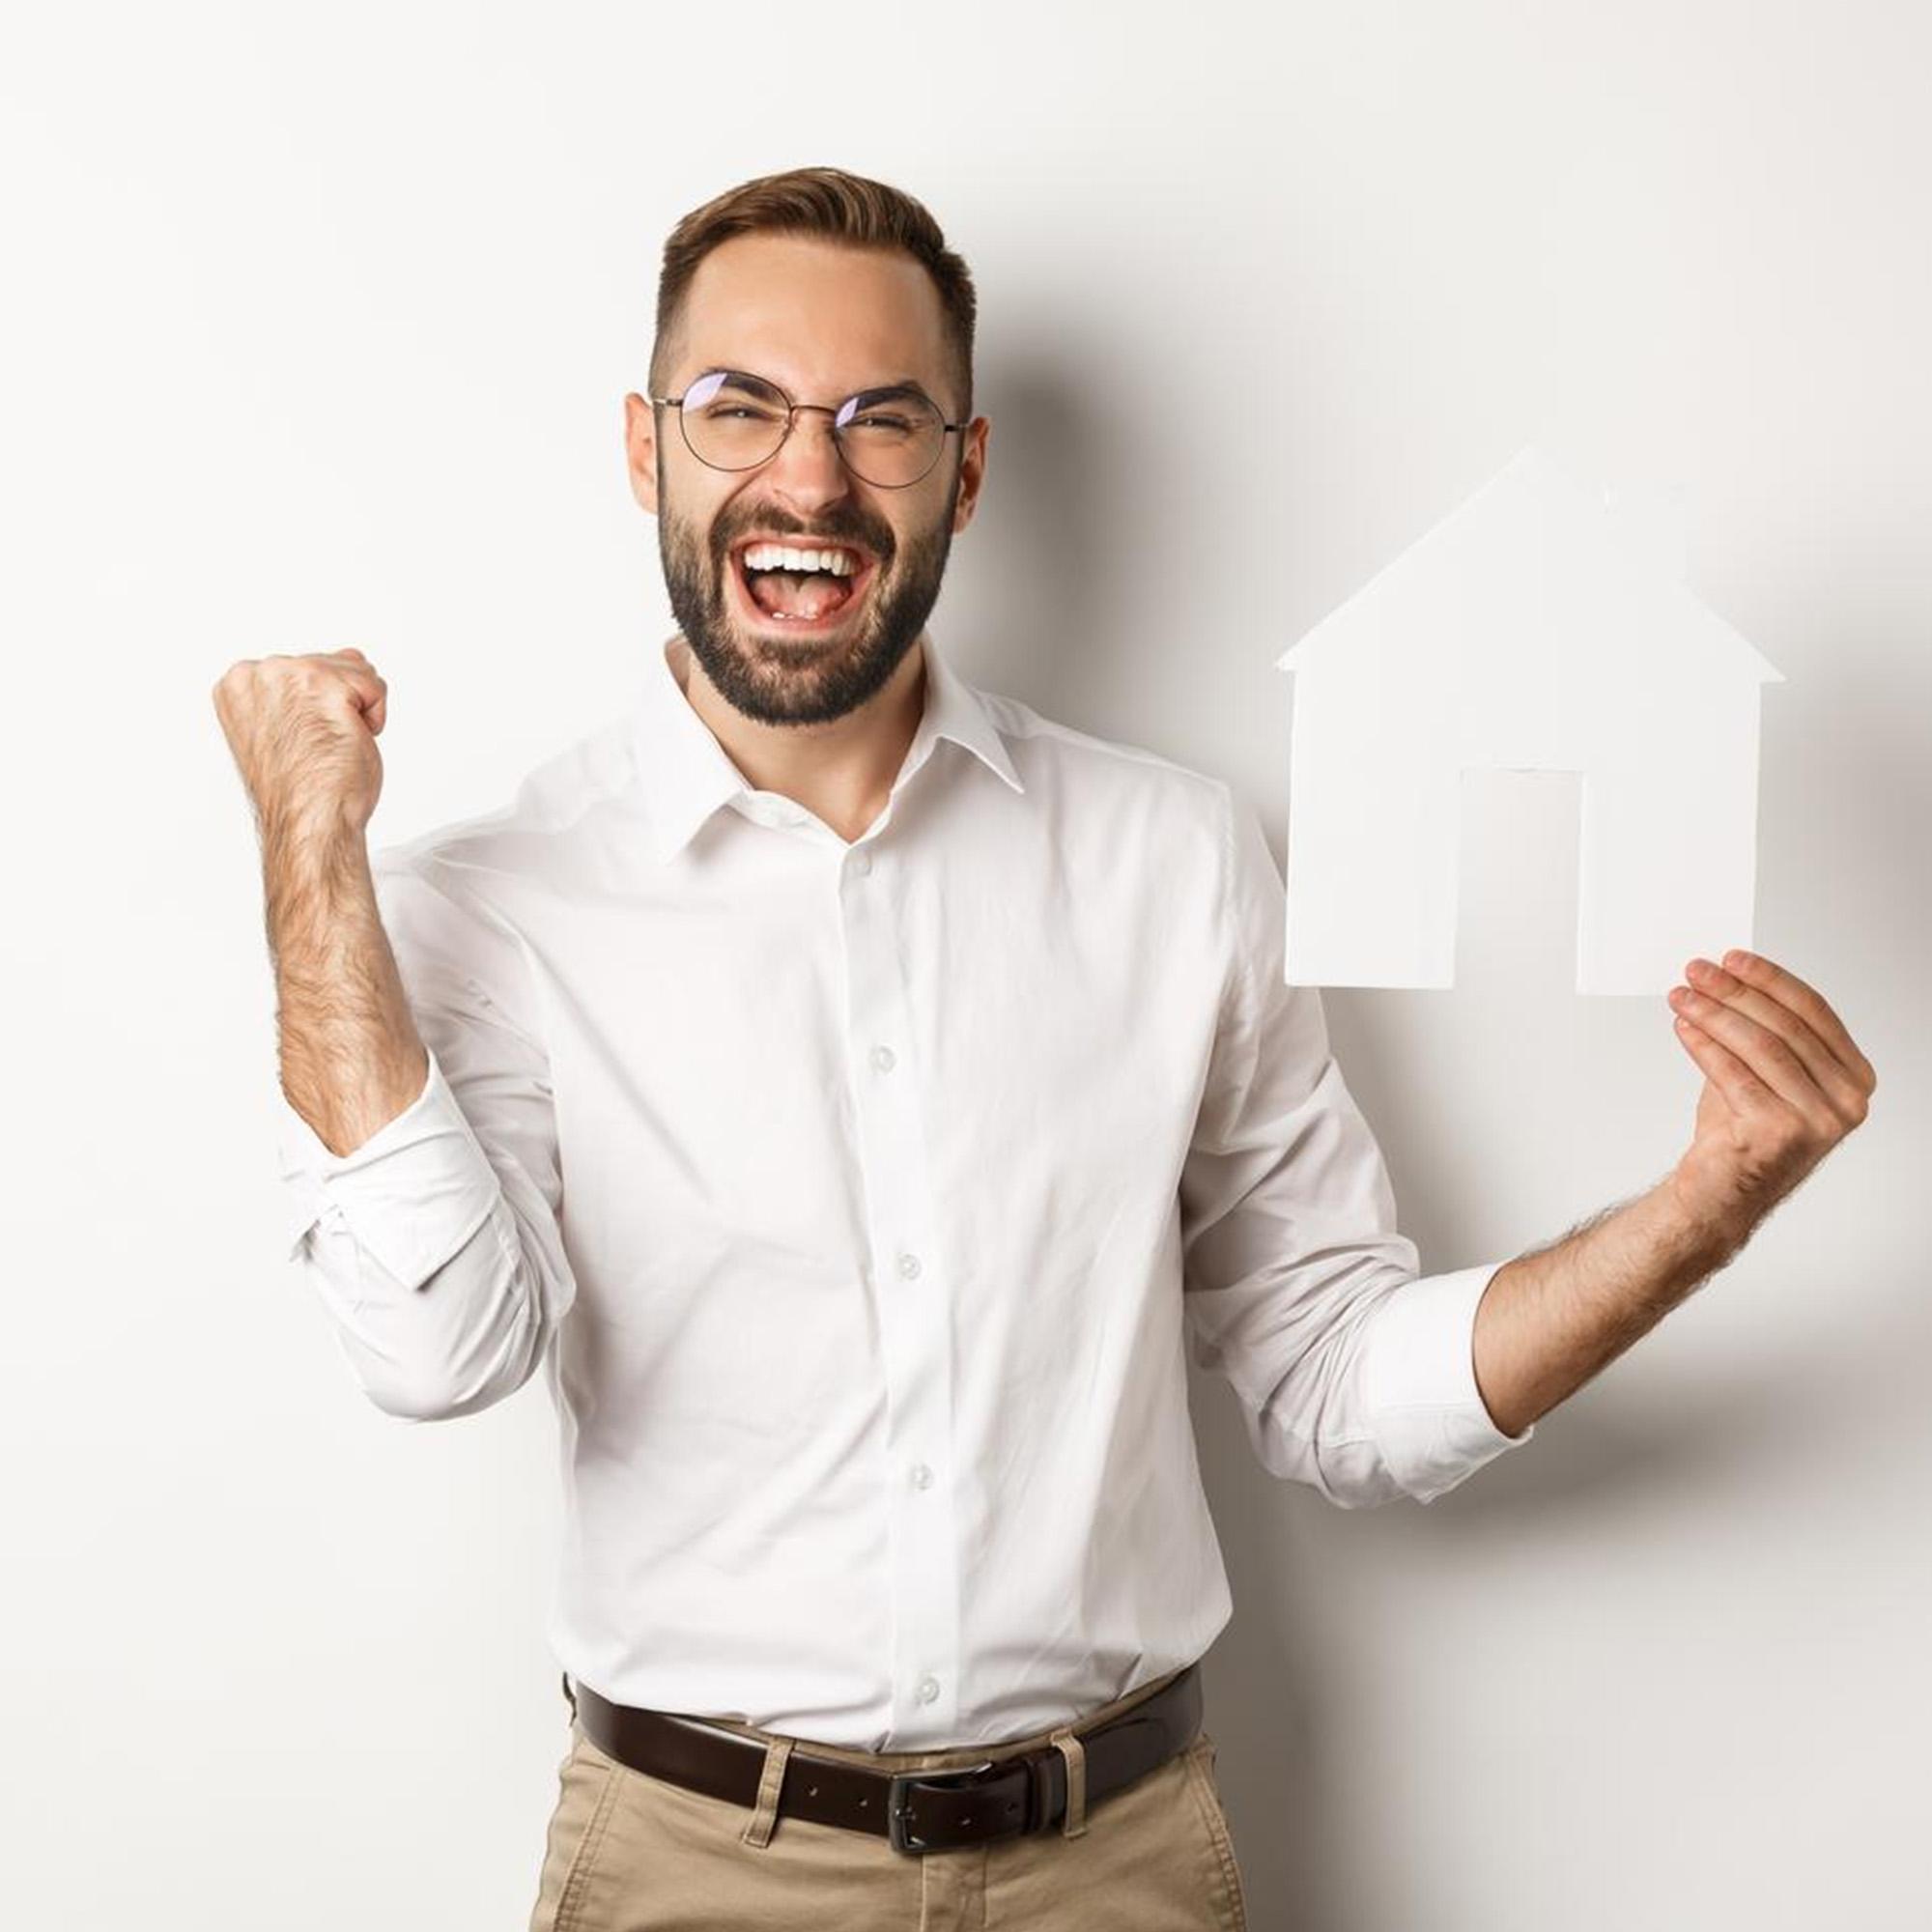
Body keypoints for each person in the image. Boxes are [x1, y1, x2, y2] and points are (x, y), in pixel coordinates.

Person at [211, 166, 1876, 1931]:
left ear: (967, 470)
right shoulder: (492, 906)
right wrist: (310, 847)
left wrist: (1704, 1203)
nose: (808, 477)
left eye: (883, 420)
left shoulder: (1177, 858)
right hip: (698, 1871)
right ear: (645, 451)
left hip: (1123, 1867)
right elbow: (436, 1346)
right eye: (740, 408)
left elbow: (1328, 1381)